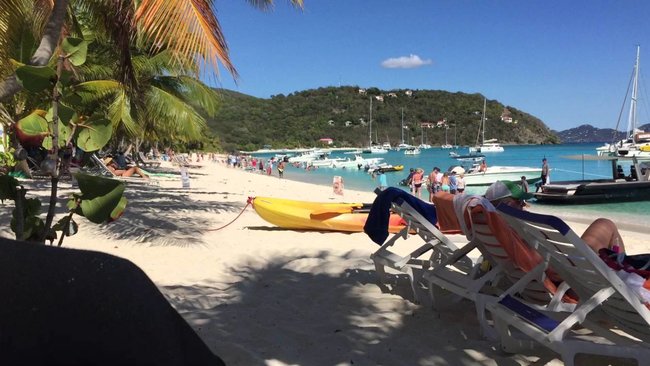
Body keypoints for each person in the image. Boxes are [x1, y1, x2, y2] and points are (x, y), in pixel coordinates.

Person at [485, 180, 625, 254]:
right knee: (605, 224)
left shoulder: (491, 226)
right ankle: (627, 277)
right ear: (509, 205)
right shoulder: (519, 230)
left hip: (534, 273)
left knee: (604, 226)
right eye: (521, 202)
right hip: (571, 276)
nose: (524, 206)